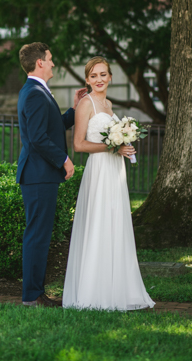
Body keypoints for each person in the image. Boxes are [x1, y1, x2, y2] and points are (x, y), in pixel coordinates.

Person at [62, 57, 155, 311]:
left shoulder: (109, 103)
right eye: (93, 76)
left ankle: (117, 288)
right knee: (99, 224)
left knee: (115, 224)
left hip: (115, 171)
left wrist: (124, 145)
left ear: (110, 77)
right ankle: (94, 291)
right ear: (87, 80)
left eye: (103, 74)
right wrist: (114, 145)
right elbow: (79, 145)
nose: (99, 79)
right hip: (100, 171)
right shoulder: (86, 103)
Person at [16, 42, 86, 308]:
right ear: (40, 62)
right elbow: (36, 138)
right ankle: (32, 296)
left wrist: (75, 108)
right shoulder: (34, 92)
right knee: (37, 234)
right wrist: (65, 160)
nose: (54, 63)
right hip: (38, 174)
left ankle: (35, 293)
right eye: (51, 59)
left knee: (40, 234)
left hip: (40, 174)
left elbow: (52, 126)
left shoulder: (38, 91)